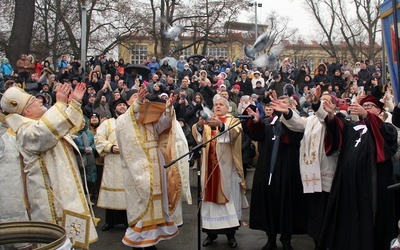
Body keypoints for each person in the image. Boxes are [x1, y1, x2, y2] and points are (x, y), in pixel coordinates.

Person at [0, 84, 98, 246]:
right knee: (57, 244)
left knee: (71, 243)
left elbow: (71, 126)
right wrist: (59, 104)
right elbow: (45, 132)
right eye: (34, 101)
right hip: (50, 200)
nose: (40, 101)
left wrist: (74, 103)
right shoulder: (25, 131)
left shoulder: (44, 123)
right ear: (27, 111)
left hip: (64, 191)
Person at [318, 94, 398, 250]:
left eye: (370, 106)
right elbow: (337, 132)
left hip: (369, 184)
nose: (366, 108)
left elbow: (386, 140)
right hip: (347, 182)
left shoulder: (386, 127)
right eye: (364, 105)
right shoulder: (353, 126)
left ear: (379, 111)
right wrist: (330, 115)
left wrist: (367, 115)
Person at [116, 87, 191, 249]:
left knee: (157, 198)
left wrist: (169, 107)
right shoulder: (124, 119)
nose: (141, 99)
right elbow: (124, 126)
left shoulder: (149, 119)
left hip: (156, 160)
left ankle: (152, 237)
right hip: (139, 165)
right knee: (143, 198)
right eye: (135, 97)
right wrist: (137, 104)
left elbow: (163, 125)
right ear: (129, 102)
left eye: (142, 96)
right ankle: (139, 238)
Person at [279, 87, 340, 250]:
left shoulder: (337, 119)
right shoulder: (312, 119)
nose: (323, 102)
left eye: (327, 100)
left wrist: (317, 103)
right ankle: (317, 242)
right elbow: (298, 124)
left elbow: (326, 119)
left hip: (327, 172)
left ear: (335, 105)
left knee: (327, 212)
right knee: (315, 212)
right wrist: (287, 113)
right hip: (311, 174)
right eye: (322, 99)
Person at [245, 95, 307, 250]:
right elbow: (257, 136)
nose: (280, 106)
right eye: (278, 103)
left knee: (287, 204)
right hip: (268, 169)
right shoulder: (268, 122)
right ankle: (270, 237)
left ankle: (286, 239)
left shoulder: (297, 123)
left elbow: (295, 136)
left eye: (284, 104)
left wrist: (286, 114)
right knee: (269, 204)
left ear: (292, 107)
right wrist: (257, 122)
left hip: (287, 169)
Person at [192, 96, 248, 248]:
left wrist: (221, 125)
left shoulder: (233, 121)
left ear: (227, 107)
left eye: (220, 104)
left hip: (226, 168)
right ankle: (211, 234)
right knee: (209, 202)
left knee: (228, 200)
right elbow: (199, 139)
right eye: (215, 104)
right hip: (208, 167)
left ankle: (231, 236)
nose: (217, 107)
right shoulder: (208, 120)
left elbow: (235, 134)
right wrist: (199, 125)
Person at [94, 97, 129, 231]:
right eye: (119, 105)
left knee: (127, 193)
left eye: (124, 105)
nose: (122, 107)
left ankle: (128, 221)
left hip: (127, 162)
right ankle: (110, 221)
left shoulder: (132, 123)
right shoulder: (107, 123)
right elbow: (98, 138)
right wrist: (110, 147)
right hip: (112, 163)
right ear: (115, 109)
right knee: (112, 193)